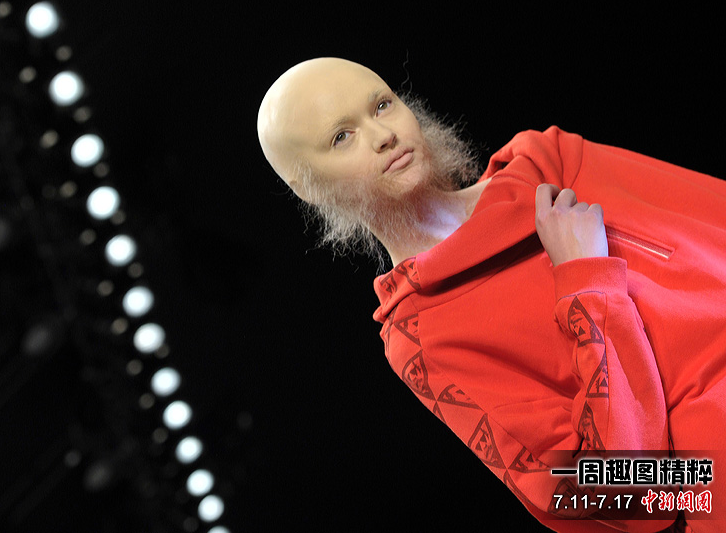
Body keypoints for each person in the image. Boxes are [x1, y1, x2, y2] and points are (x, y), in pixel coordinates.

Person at [257, 57, 726, 533]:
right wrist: (586, 280)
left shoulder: (549, 161)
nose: (383, 135)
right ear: (307, 187)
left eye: (382, 105)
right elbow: (629, 499)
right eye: (342, 137)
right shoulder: (423, 336)